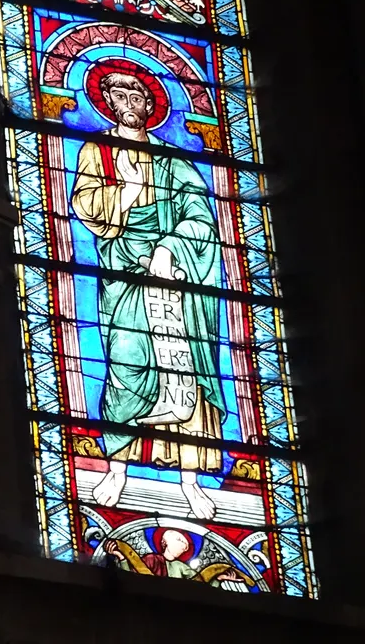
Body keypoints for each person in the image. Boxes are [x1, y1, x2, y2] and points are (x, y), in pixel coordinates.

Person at [71, 68, 225, 519]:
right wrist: (127, 195)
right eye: (120, 94)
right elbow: (85, 205)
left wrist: (170, 247)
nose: (130, 101)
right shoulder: (96, 152)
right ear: (109, 102)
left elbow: (200, 217)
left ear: (150, 103)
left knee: (188, 374)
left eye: (137, 93)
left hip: (175, 280)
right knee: (126, 368)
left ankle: (191, 482)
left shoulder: (174, 162)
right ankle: (116, 470)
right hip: (123, 276)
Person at [105, 529, 245, 584]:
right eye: (179, 541)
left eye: (185, 545)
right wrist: (121, 557)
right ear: (165, 542)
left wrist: (218, 579)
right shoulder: (151, 559)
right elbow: (132, 577)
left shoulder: (181, 567)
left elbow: (197, 586)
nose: (184, 546)